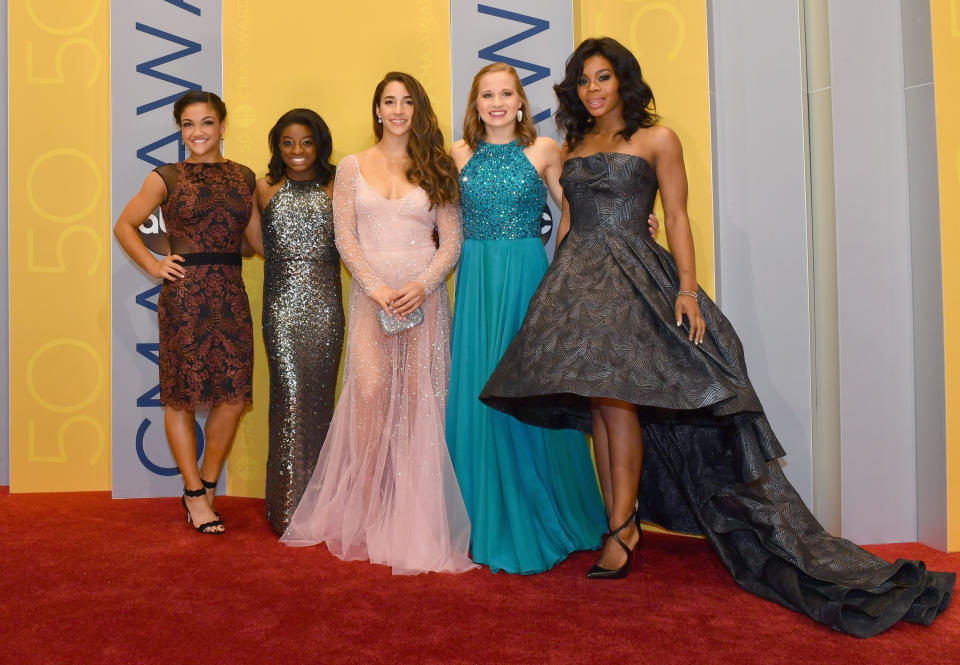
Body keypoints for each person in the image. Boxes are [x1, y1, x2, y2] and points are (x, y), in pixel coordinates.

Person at [480, 38, 954, 636]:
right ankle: (618, 522)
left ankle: (622, 530)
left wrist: (685, 288)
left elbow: (675, 215)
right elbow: (571, 220)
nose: (593, 89)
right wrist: (553, 288)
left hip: (633, 280)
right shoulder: (575, 145)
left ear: (624, 82)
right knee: (598, 409)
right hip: (577, 285)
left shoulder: (658, 139)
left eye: (603, 78)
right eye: (583, 80)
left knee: (617, 401)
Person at [447, 62, 652, 573]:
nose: (496, 102)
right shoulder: (457, 154)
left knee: (528, 390)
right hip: (476, 279)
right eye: (486, 95)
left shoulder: (544, 151)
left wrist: (633, 215)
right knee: (477, 391)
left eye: (506, 94)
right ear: (475, 105)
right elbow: (433, 216)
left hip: (525, 277)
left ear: (521, 103)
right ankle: (479, 514)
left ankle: (544, 508)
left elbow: (579, 205)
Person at [282, 72, 475, 575]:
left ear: (418, 109)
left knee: (420, 405)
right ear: (376, 109)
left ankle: (414, 521)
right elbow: (345, 237)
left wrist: (422, 287)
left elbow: (451, 240)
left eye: (406, 101)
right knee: (368, 399)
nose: (397, 110)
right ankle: (365, 517)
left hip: (423, 302)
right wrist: (376, 289)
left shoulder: (437, 166)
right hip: (373, 301)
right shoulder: (351, 166)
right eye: (389, 101)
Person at [114, 90, 258, 534]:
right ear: (181, 131)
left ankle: (207, 483)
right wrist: (154, 264)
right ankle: (194, 494)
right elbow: (124, 224)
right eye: (189, 125)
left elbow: (256, 244)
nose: (198, 133)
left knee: (233, 396)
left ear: (222, 125)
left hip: (231, 292)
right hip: (185, 297)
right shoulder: (166, 176)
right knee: (180, 394)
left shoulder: (244, 177)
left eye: (207, 123)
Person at [245, 109, 344, 534]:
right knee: (288, 402)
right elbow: (257, 245)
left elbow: (356, 238)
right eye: (288, 142)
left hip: (326, 307)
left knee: (321, 402)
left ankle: (323, 506)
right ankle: (287, 508)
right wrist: (293, 263)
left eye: (306, 141)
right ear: (277, 146)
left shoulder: (339, 184)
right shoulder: (264, 188)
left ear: (320, 143)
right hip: (281, 308)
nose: (298, 151)